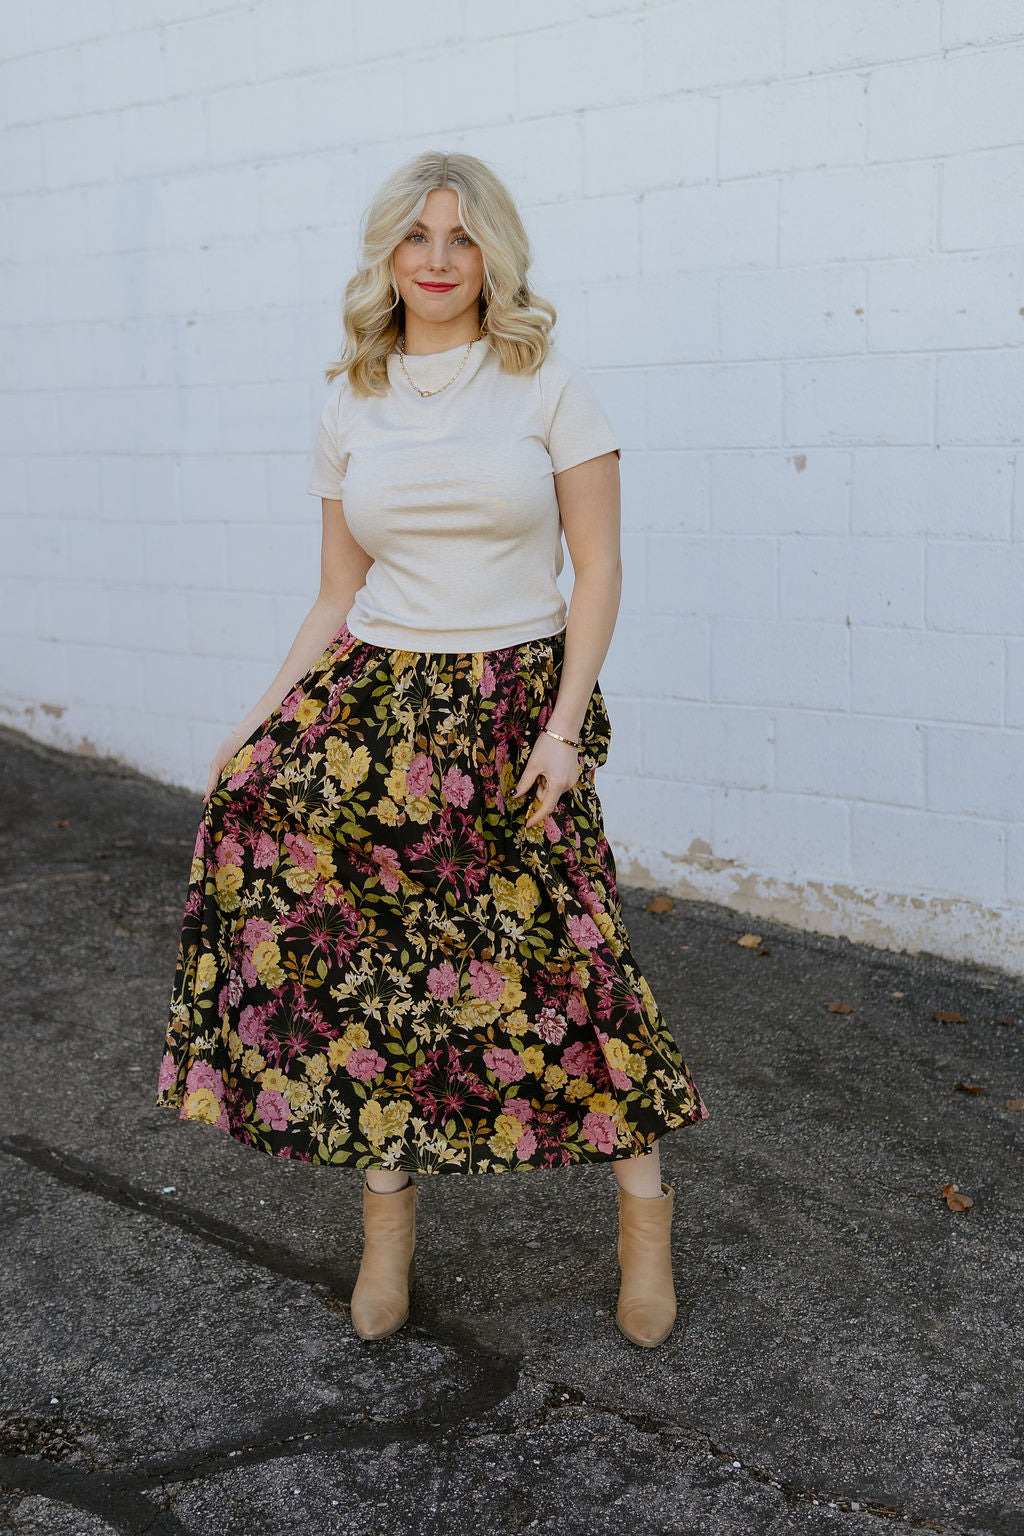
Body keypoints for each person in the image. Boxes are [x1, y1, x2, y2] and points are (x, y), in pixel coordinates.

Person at [156, 150, 709, 1349]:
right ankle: (387, 1227)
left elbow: (598, 568)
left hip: (515, 710)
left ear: (492, 255)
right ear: (388, 257)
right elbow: (332, 593)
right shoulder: (347, 396)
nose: (440, 261)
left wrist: (565, 727)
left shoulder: (545, 384)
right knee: (375, 973)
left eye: (461, 240)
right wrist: (255, 725)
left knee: (576, 962)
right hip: (376, 710)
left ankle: (643, 1221)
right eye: (418, 239)